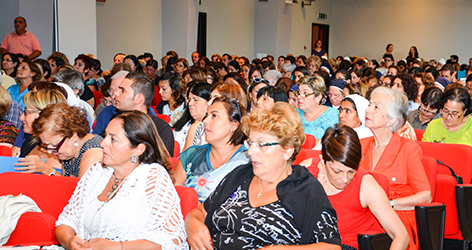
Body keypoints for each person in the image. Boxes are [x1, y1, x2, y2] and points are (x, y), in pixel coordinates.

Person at [185, 102, 342, 249]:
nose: (251, 151)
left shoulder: (305, 189)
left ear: (287, 150)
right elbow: (201, 211)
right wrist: (192, 223)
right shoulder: (240, 175)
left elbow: (332, 246)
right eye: (250, 143)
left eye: (262, 144)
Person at [55, 111, 187, 250]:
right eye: (105, 136)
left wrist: (118, 247)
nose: (102, 143)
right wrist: (70, 242)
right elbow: (66, 221)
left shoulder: (152, 176)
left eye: (113, 139)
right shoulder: (97, 170)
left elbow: (173, 241)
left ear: (138, 149)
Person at [311, 125, 409, 250]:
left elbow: (401, 235)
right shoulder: (308, 173)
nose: (345, 179)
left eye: (351, 171)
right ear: (323, 161)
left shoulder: (366, 185)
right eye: (337, 171)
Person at [360, 86, 432, 250]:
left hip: (395, 220)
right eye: (370, 104)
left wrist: (388, 204)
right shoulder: (360, 146)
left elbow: (425, 196)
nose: (368, 109)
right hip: (363, 215)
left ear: (391, 120)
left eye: (376, 107)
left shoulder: (408, 149)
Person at [174, 97, 250, 203]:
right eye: (206, 115)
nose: (205, 121)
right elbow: (172, 200)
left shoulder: (248, 159)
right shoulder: (191, 155)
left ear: (233, 125)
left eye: (214, 116)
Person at [95, 71, 174, 156]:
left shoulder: (160, 129)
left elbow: (161, 163)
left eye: (122, 90)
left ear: (138, 98)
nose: (115, 93)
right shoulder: (116, 120)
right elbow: (98, 148)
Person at [18, 103, 103, 177]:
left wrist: (47, 170)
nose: (50, 151)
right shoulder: (68, 150)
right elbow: (66, 183)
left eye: (54, 145)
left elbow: (80, 193)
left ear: (74, 135)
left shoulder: (93, 152)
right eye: (46, 145)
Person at [15, 89, 67, 175]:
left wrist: (46, 169)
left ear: (44, 114)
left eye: (26, 112)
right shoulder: (30, 143)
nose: (21, 117)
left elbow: (74, 186)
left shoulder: (68, 150)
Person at [173, 81, 211, 153]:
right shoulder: (183, 123)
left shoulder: (210, 129)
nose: (190, 103)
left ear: (209, 103)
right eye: (189, 100)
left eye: (196, 100)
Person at [297, 75, 338, 140]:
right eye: (299, 92)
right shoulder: (294, 113)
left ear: (318, 97)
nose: (299, 96)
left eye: (305, 93)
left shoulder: (332, 115)